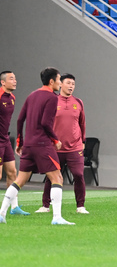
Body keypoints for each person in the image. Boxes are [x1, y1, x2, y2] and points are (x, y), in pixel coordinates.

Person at [0, 67, 74, 225]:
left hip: (28, 144)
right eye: (59, 80)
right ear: (52, 81)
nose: (60, 84)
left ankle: (1, 213)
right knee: (57, 178)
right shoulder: (52, 98)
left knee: (20, 180)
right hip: (42, 144)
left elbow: (20, 120)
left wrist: (20, 142)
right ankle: (57, 218)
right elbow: (45, 123)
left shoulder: (31, 95)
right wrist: (56, 140)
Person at [36, 74, 88, 214]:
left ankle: (80, 206)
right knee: (51, 177)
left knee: (78, 175)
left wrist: (82, 141)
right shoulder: (52, 101)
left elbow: (82, 123)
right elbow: (45, 123)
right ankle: (45, 206)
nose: (71, 86)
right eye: (68, 83)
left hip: (74, 147)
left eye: (73, 84)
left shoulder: (78, 102)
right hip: (55, 147)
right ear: (61, 84)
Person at [0, 71, 28, 216]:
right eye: (11, 79)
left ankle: (14, 207)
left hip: (5, 139)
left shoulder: (12, 98)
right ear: (3, 82)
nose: (15, 81)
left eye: (15, 78)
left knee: (12, 173)